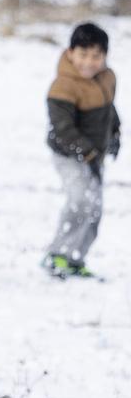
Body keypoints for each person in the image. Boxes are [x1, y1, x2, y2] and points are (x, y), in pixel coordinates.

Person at [43, 22, 119, 278]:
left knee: (95, 207)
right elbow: (62, 129)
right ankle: (57, 254)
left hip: (95, 155)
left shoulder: (107, 78)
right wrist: (85, 152)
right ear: (71, 52)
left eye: (96, 56)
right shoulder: (63, 86)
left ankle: (76, 257)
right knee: (79, 201)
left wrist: (115, 134)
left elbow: (109, 110)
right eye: (83, 55)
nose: (89, 62)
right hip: (69, 155)